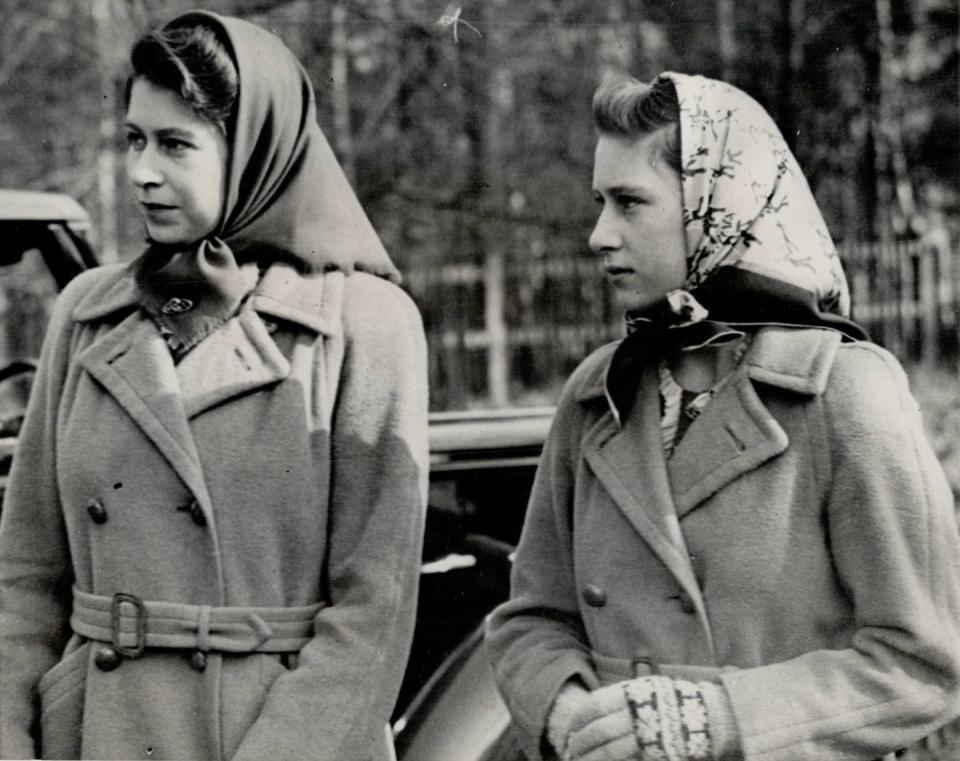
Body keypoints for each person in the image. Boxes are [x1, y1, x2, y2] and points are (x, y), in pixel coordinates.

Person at [485, 71, 960, 761]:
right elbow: (531, 618)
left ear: (716, 206)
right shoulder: (597, 392)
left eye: (629, 203)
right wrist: (563, 709)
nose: (598, 234)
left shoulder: (845, 393)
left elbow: (926, 661)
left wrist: (716, 719)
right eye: (598, 202)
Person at [0, 10, 428, 761]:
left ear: (253, 151)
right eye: (134, 139)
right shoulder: (86, 314)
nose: (141, 171)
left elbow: (373, 613)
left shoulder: (364, 323)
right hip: (97, 733)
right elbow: (25, 576)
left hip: (279, 739)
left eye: (174, 144)